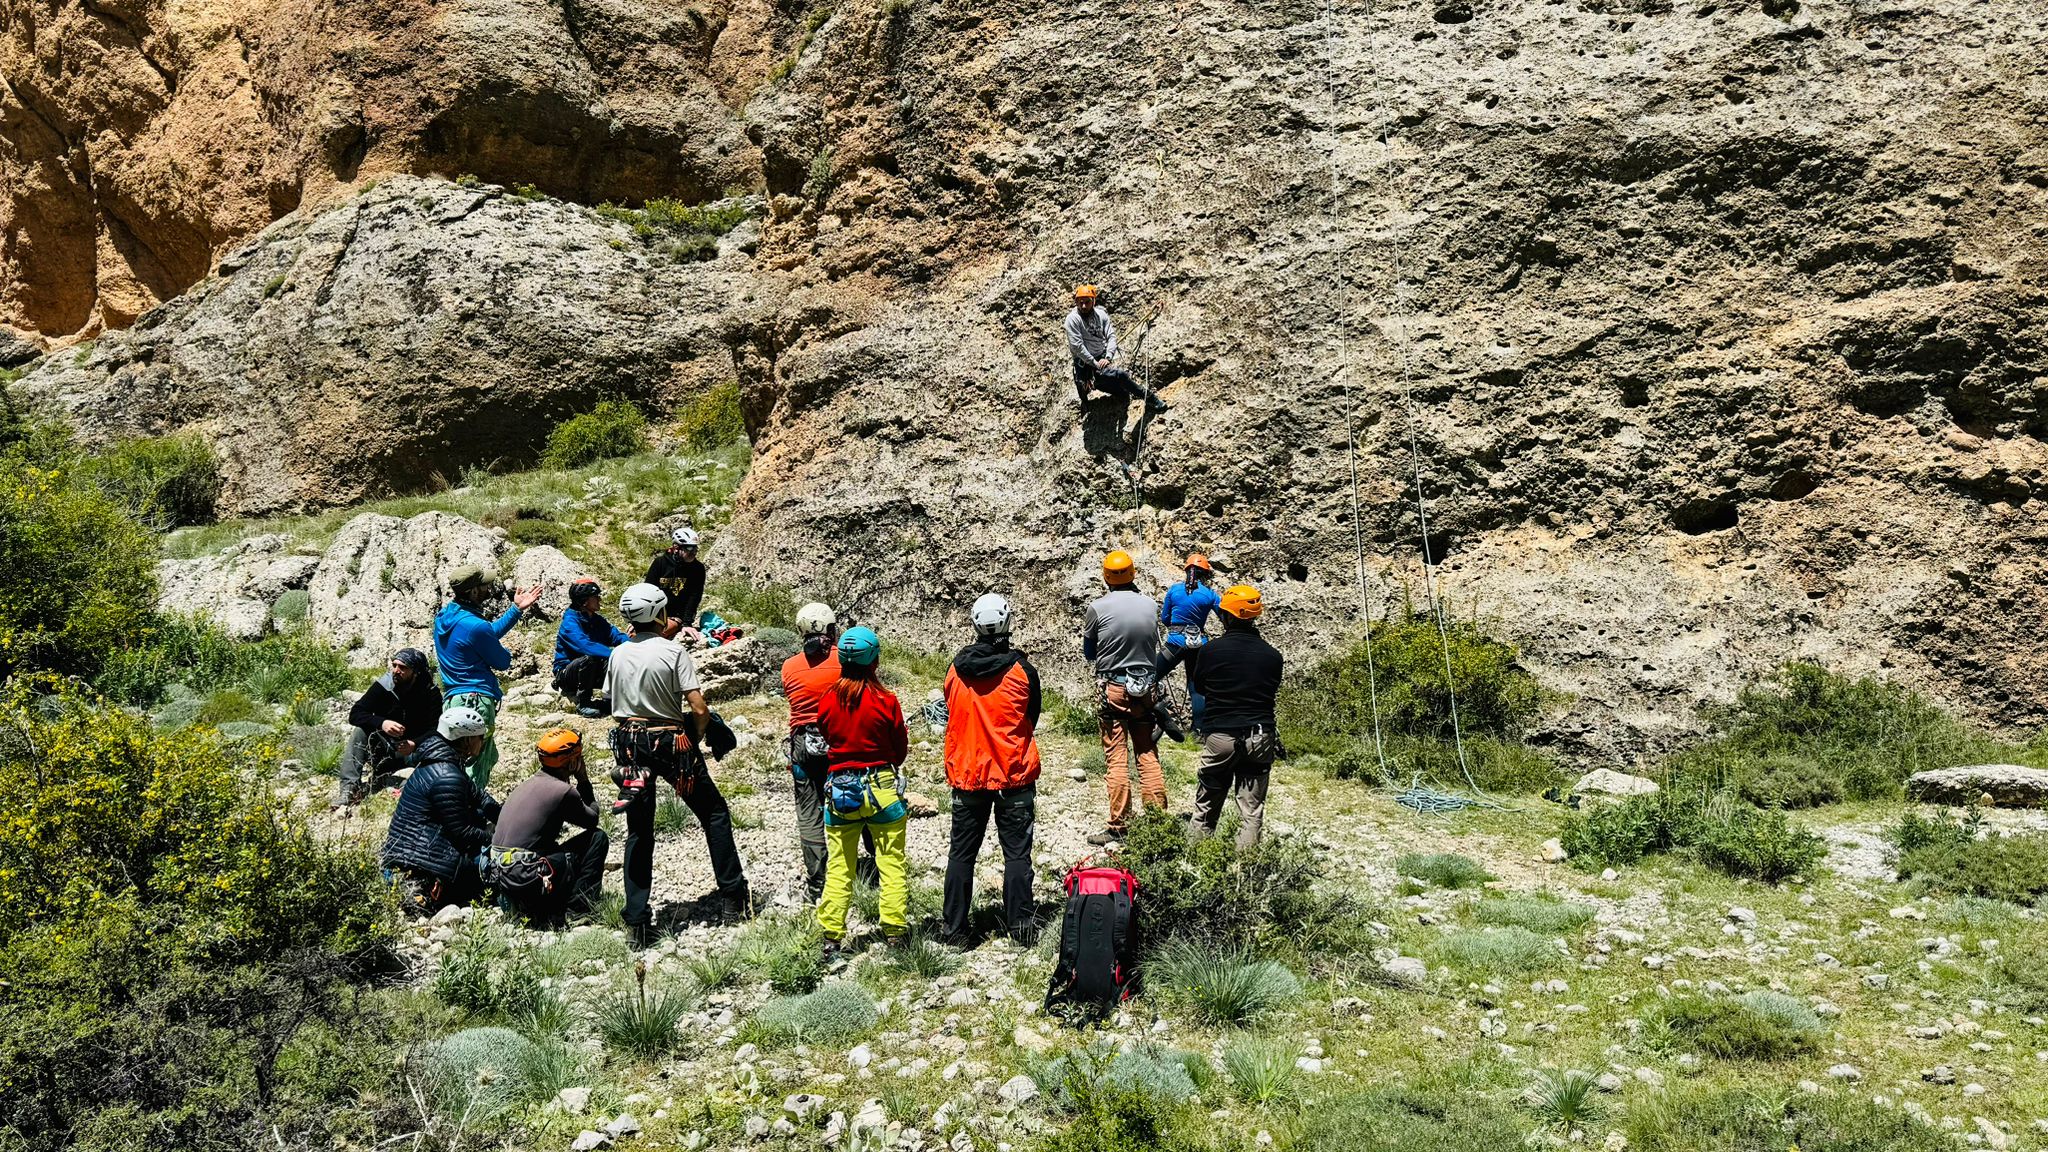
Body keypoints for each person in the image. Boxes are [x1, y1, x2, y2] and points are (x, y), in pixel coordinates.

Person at [607, 582, 750, 946]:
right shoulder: (673, 653)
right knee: (713, 812)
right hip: (671, 741)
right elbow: (699, 708)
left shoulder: (618, 654)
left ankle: (638, 921)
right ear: (659, 614)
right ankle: (733, 897)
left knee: (639, 829)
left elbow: (612, 699)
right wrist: (698, 735)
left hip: (629, 744)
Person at [940, 594, 1042, 946]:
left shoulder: (955, 668)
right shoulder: (1022, 670)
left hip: (968, 776)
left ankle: (953, 931)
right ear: (1007, 623)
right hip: (1012, 775)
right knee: (1016, 855)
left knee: (961, 855)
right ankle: (1021, 929)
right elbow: (1032, 717)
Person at [1160, 585, 1284, 849]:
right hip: (1260, 736)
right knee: (1251, 812)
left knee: (1205, 807)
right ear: (1254, 616)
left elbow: (1201, 687)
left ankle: (1198, 861)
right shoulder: (1273, 657)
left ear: (1226, 616)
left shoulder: (1210, 651)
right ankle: (1246, 873)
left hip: (1221, 737)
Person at [813, 626, 911, 955]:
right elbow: (899, 749)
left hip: (841, 791)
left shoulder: (827, 700)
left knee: (840, 866)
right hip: (881, 787)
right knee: (891, 863)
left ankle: (831, 939)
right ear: (874, 660)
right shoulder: (886, 700)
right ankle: (895, 933)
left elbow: (828, 737)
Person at [380, 706, 501, 918]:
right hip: (422, 865)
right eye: (480, 737)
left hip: (411, 854)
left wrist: (506, 817)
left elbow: (480, 797)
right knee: (498, 872)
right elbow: (462, 832)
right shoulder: (447, 775)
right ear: (467, 740)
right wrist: (497, 840)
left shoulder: (438, 761)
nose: (482, 742)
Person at [1082, 549, 1166, 846]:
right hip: (1146, 690)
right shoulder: (1150, 604)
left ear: (1105, 577)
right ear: (1133, 574)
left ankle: (1119, 825)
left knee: (1117, 758)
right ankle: (1158, 825)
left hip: (1114, 689)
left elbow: (1089, 652)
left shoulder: (1097, 608)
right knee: (1147, 754)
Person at [434, 565, 542, 790]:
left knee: (462, 759)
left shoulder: (445, 616)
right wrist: (504, 652)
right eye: (484, 585)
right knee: (477, 764)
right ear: (473, 591)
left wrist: (516, 609)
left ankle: (450, 806)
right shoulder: (476, 626)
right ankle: (469, 814)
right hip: (477, 702)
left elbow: (483, 635)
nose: (490, 588)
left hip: (454, 699)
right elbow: (502, 661)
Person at [490, 729, 609, 927]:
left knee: (553, 848)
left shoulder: (527, 784)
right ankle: (578, 910)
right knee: (597, 838)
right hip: (526, 877)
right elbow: (592, 819)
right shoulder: (563, 791)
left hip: (500, 874)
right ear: (571, 762)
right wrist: (584, 781)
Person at [336, 646, 442, 807]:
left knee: (439, 746)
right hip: (385, 747)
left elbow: (435, 730)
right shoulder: (384, 685)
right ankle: (349, 788)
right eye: (394, 665)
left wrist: (415, 743)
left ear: (416, 672)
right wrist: (382, 723)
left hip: (412, 752)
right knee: (360, 731)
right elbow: (356, 714)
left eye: (403, 668)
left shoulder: (430, 692)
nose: (396, 671)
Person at [1066, 284, 1164, 410]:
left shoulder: (1101, 315)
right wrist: (1094, 363)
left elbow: (1111, 336)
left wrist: (1108, 357)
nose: (1083, 306)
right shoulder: (1072, 319)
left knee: (1120, 382)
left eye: (1087, 302)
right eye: (1080, 303)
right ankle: (1085, 401)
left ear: (1094, 301)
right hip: (1084, 361)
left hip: (1101, 357)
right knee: (1083, 385)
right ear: (1076, 302)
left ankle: (1149, 398)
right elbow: (1077, 346)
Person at [1158, 553, 1221, 739]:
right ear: (1205, 574)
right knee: (1196, 688)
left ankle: (1155, 716)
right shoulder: (1210, 595)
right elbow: (1223, 616)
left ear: (1187, 571)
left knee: (1151, 676)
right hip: (1198, 645)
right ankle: (1198, 730)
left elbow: (1165, 619)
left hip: (1175, 643)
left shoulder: (1174, 590)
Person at [554, 579, 629, 718]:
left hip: (590, 672)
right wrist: (615, 653)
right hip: (567, 674)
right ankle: (583, 702)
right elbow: (585, 646)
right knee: (590, 658)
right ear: (585, 601)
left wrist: (632, 646)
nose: (599, 599)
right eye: (596, 597)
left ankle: (609, 700)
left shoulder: (596, 620)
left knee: (612, 661)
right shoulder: (569, 622)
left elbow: (616, 636)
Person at [645, 527, 707, 630]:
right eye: (689, 548)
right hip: (655, 615)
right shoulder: (660, 563)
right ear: (676, 547)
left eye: (695, 548)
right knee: (634, 634)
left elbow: (694, 597)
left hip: (676, 618)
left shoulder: (698, 568)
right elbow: (648, 590)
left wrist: (686, 623)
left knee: (659, 632)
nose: (694, 552)